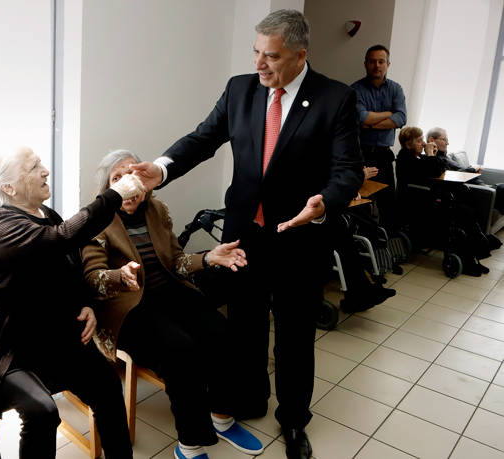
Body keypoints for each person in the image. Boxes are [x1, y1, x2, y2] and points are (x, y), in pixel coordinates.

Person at [130, 10, 363, 459]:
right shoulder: (241, 89)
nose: (259, 63)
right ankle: (251, 398)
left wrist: (324, 203)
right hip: (245, 236)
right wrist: (162, 168)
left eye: (270, 56)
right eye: (256, 52)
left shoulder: (335, 98)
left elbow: (348, 170)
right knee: (246, 325)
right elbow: (203, 138)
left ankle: (293, 419)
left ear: (300, 55)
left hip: (299, 237)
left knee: (294, 335)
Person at [0, 147, 143, 459]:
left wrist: (85, 304)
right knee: (43, 411)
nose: (45, 170)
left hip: (47, 338)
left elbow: (70, 268)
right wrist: (115, 194)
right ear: (9, 187)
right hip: (3, 350)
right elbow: (61, 238)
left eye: (41, 163)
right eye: (33, 167)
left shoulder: (47, 215)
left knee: (107, 384)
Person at [82, 150, 261, 459]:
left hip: (168, 293)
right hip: (127, 309)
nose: (126, 184)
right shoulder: (96, 219)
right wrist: (119, 276)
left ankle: (221, 417)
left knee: (221, 331)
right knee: (180, 349)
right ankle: (190, 443)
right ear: (107, 188)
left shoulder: (157, 209)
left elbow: (175, 261)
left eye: (132, 175)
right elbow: (92, 279)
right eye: (117, 178)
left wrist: (208, 258)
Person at [396, 127, 490, 276]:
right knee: (463, 214)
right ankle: (468, 261)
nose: (423, 143)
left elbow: (439, 170)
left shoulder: (418, 157)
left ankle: (475, 256)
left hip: (431, 199)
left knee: (468, 211)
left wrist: (432, 155)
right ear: (408, 144)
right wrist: (430, 155)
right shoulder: (405, 159)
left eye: (422, 140)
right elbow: (431, 171)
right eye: (419, 141)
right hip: (419, 203)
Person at [351, 44, 407, 228]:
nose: (377, 65)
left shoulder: (396, 89)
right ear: (365, 64)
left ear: (388, 64)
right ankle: (366, 239)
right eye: (372, 61)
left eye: (381, 61)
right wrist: (389, 113)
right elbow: (361, 118)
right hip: (361, 156)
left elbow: (401, 118)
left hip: (384, 155)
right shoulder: (355, 90)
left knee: (388, 204)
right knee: (360, 204)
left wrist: (370, 122)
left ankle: (389, 240)